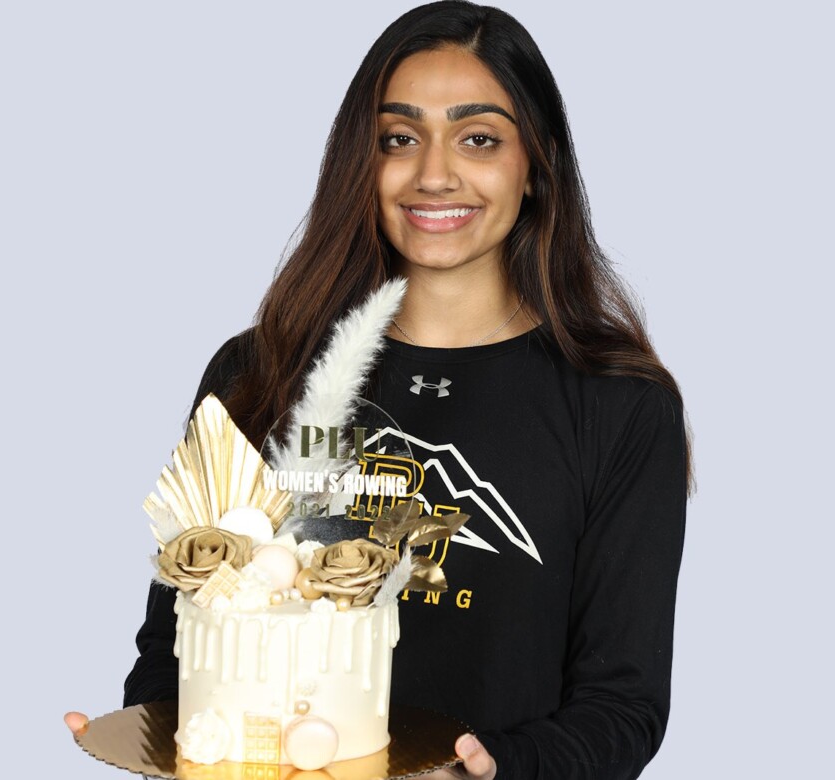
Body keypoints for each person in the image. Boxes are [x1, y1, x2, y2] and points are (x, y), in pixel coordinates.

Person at [67, 2, 692, 778]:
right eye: (399, 139)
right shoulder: (255, 376)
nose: (433, 173)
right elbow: (174, 649)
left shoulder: (620, 407)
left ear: (537, 167)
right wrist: (161, 736)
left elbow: (621, 706)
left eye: (479, 139)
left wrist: (488, 770)